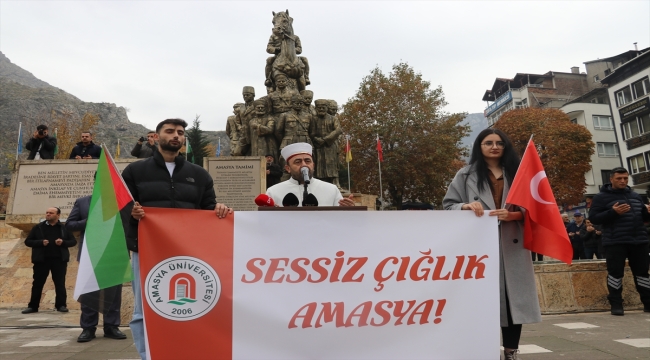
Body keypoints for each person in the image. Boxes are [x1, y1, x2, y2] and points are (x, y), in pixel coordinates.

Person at [122, 118, 233, 360]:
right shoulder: (135, 171)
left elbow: (208, 208)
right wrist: (133, 213)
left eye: (180, 133)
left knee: (192, 305)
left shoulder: (199, 174)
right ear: (157, 136)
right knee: (145, 309)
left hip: (188, 252)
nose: (176, 136)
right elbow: (122, 207)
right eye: (170, 131)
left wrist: (219, 209)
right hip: (147, 251)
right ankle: (147, 355)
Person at [443, 128, 540, 360]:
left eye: (499, 143)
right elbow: (448, 206)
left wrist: (514, 216)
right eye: (488, 142)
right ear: (480, 146)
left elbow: (538, 209)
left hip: (512, 244)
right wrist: (465, 207)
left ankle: (510, 351)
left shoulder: (520, 174)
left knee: (513, 301)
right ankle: (482, 348)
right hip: (478, 246)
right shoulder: (465, 175)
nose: (494, 146)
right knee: (481, 299)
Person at [589, 167, 650, 315]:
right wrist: (613, 212)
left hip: (639, 241)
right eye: (619, 178)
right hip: (615, 242)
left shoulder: (636, 195)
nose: (623, 181)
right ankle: (616, 305)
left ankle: (648, 303)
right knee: (615, 274)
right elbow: (594, 218)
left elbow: (644, 219)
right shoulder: (601, 197)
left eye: (625, 178)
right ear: (611, 179)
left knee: (643, 274)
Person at [66, 194, 126, 342]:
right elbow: (69, 225)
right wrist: (88, 222)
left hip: (114, 252)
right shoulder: (82, 202)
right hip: (90, 254)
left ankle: (111, 326)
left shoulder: (121, 201)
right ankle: (88, 328)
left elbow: (130, 223)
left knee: (113, 293)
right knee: (89, 292)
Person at [22, 207, 77, 314]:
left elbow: (73, 241)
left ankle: (61, 305)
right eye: (47, 213)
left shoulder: (64, 228)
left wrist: (63, 242)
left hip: (59, 260)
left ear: (58, 215)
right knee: (38, 283)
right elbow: (28, 241)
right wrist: (40, 242)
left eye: (51, 213)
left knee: (60, 283)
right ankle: (33, 306)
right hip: (41, 260)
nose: (48, 214)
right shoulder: (38, 227)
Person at [266, 143, 354, 207]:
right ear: (288, 168)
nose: (304, 165)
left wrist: (349, 212)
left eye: (308, 161)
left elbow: (341, 221)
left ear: (313, 165)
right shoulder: (273, 192)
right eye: (298, 162)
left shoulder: (332, 189)